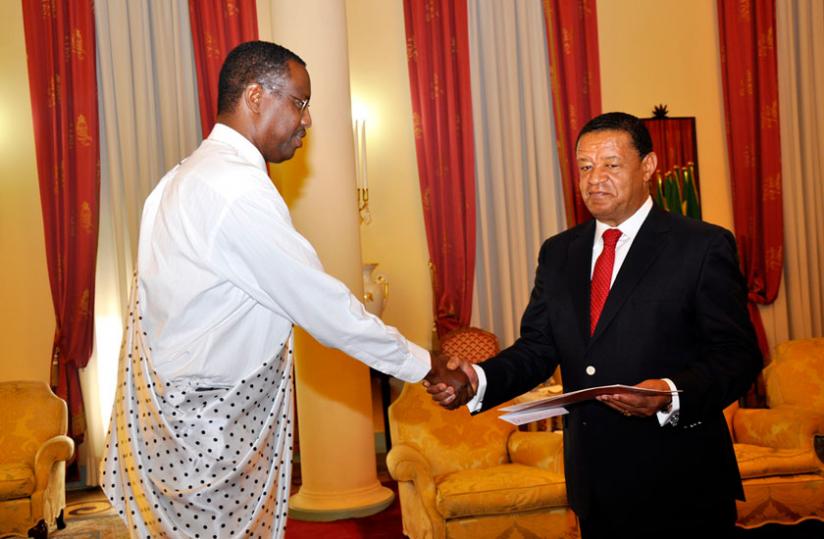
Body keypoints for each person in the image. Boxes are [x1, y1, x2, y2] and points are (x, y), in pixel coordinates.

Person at [101, 40, 469, 538]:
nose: (307, 120)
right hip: (212, 434)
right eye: (299, 102)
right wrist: (426, 363)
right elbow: (325, 307)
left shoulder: (176, 180)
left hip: (175, 423)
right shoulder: (235, 189)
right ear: (256, 97)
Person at [428, 112, 762, 537]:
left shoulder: (701, 245)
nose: (595, 178)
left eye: (611, 164)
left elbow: (738, 355)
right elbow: (537, 348)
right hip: (595, 483)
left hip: (682, 480)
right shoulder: (558, 253)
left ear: (648, 166)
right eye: (585, 166)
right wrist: (478, 379)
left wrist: (670, 393)